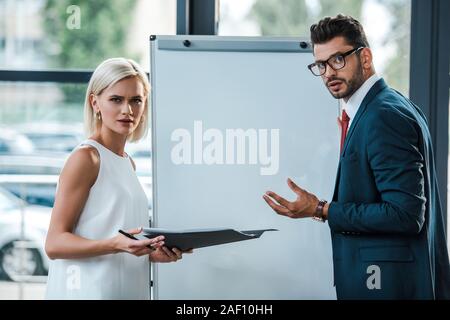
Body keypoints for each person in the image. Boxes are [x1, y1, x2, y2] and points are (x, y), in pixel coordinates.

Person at [263, 14, 450, 299]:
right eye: (321, 65)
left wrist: (320, 209)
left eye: (338, 60)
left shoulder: (382, 116)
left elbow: (406, 214)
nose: (328, 73)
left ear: (365, 57)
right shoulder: (389, 106)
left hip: (387, 286)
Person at [45, 57, 189, 299]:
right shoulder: (87, 158)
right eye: (116, 99)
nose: (127, 110)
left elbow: (116, 237)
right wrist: (115, 244)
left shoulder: (127, 162)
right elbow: (54, 244)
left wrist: (150, 253)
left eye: (136, 100)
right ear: (95, 102)